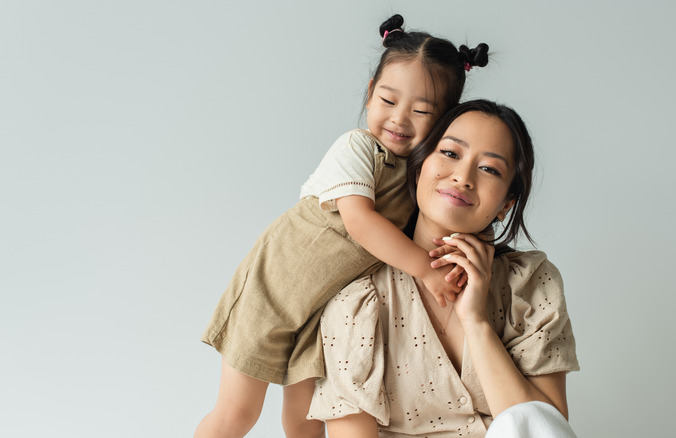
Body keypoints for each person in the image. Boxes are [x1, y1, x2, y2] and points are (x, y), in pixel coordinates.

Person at [195, 15, 490, 438]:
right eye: (388, 101)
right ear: (370, 94)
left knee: (305, 422)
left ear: (444, 122)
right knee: (237, 414)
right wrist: (426, 269)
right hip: (272, 292)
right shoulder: (357, 148)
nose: (400, 119)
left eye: (422, 111)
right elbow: (359, 222)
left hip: (321, 314)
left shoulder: (421, 179)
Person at [308, 100, 580, 437]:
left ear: (506, 204)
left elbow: (545, 429)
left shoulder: (530, 284)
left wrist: (476, 321)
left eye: (490, 169)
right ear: (420, 166)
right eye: (451, 153)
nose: (463, 177)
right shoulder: (357, 300)